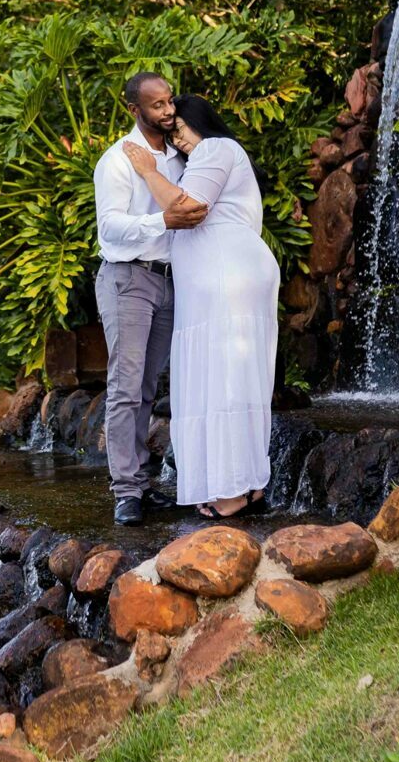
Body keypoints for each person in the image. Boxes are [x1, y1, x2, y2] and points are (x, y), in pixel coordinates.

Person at [123, 94, 278, 518]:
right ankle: (242, 488)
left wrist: (148, 170)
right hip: (217, 283)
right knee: (224, 379)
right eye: (171, 134)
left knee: (226, 380)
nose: (178, 139)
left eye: (180, 128)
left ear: (200, 121)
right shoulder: (206, 159)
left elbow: (187, 208)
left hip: (228, 278)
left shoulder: (216, 148)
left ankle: (235, 492)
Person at [93, 73, 206, 526]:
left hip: (171, 281)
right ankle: (126, 492)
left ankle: (140, 484)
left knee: (145, 388)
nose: (168, 110)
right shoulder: (118, 160)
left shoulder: (180, 156)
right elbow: (110, 227)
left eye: (169, 101)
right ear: (134, 109)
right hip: (129, 279)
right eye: (157, 105)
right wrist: (163, 220)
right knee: (125, 387)